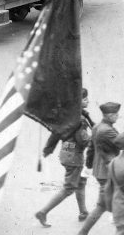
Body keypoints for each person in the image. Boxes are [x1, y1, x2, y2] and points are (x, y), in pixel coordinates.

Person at [35, 88, 94, 227]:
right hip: (75, 158)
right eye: (85, 99)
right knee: (68, 188)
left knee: (80, 182)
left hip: (65, 154)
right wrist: (95, 139)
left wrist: (47, 150)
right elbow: (83, 140)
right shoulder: (80, 119)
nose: (88, 101)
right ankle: (43, 212)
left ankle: (83, 211)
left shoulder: (67, 116)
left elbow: (55, 134)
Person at [78, 102, 121, 235]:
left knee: (104, 205)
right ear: (108, 115)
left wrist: (89, 166)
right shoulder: (107, 130)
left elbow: (91, 149)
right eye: (115, 114)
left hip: (101, 170)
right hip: (107, 172)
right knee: (117, 203)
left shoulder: (97, 127)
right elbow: (122, 143)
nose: (118, 116)